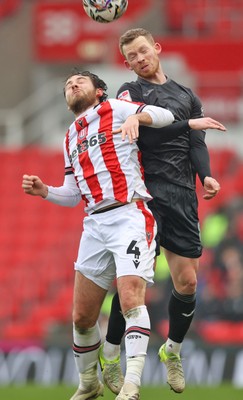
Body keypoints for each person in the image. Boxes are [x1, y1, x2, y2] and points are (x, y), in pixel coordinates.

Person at [21, 70, 225, 400]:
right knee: (82, 317)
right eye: (68, 85)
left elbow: (166, 115)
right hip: (94, 224)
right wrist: (46, 191)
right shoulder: (70, 136)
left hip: (129, 213)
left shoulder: (116, 107)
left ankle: (131, 384)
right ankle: (89, 384)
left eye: (79, 81)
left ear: (99, 90)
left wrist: (138, 118)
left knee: (131, 298)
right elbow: (74, 192)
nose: (72, 85)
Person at [98, 28, 224, 395]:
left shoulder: (187, 95)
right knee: (133, 283)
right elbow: (146, 135)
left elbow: (195, 142)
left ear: (157, 48)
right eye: (131, 57)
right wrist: (185, 123)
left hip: (183, 196)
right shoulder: (130, 93)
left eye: (142, 51)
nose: (139, 59)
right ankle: (110, 355)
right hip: (145, 197)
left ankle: (173, 351)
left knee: (187, 283)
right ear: (126, 64)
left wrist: (207, 176)